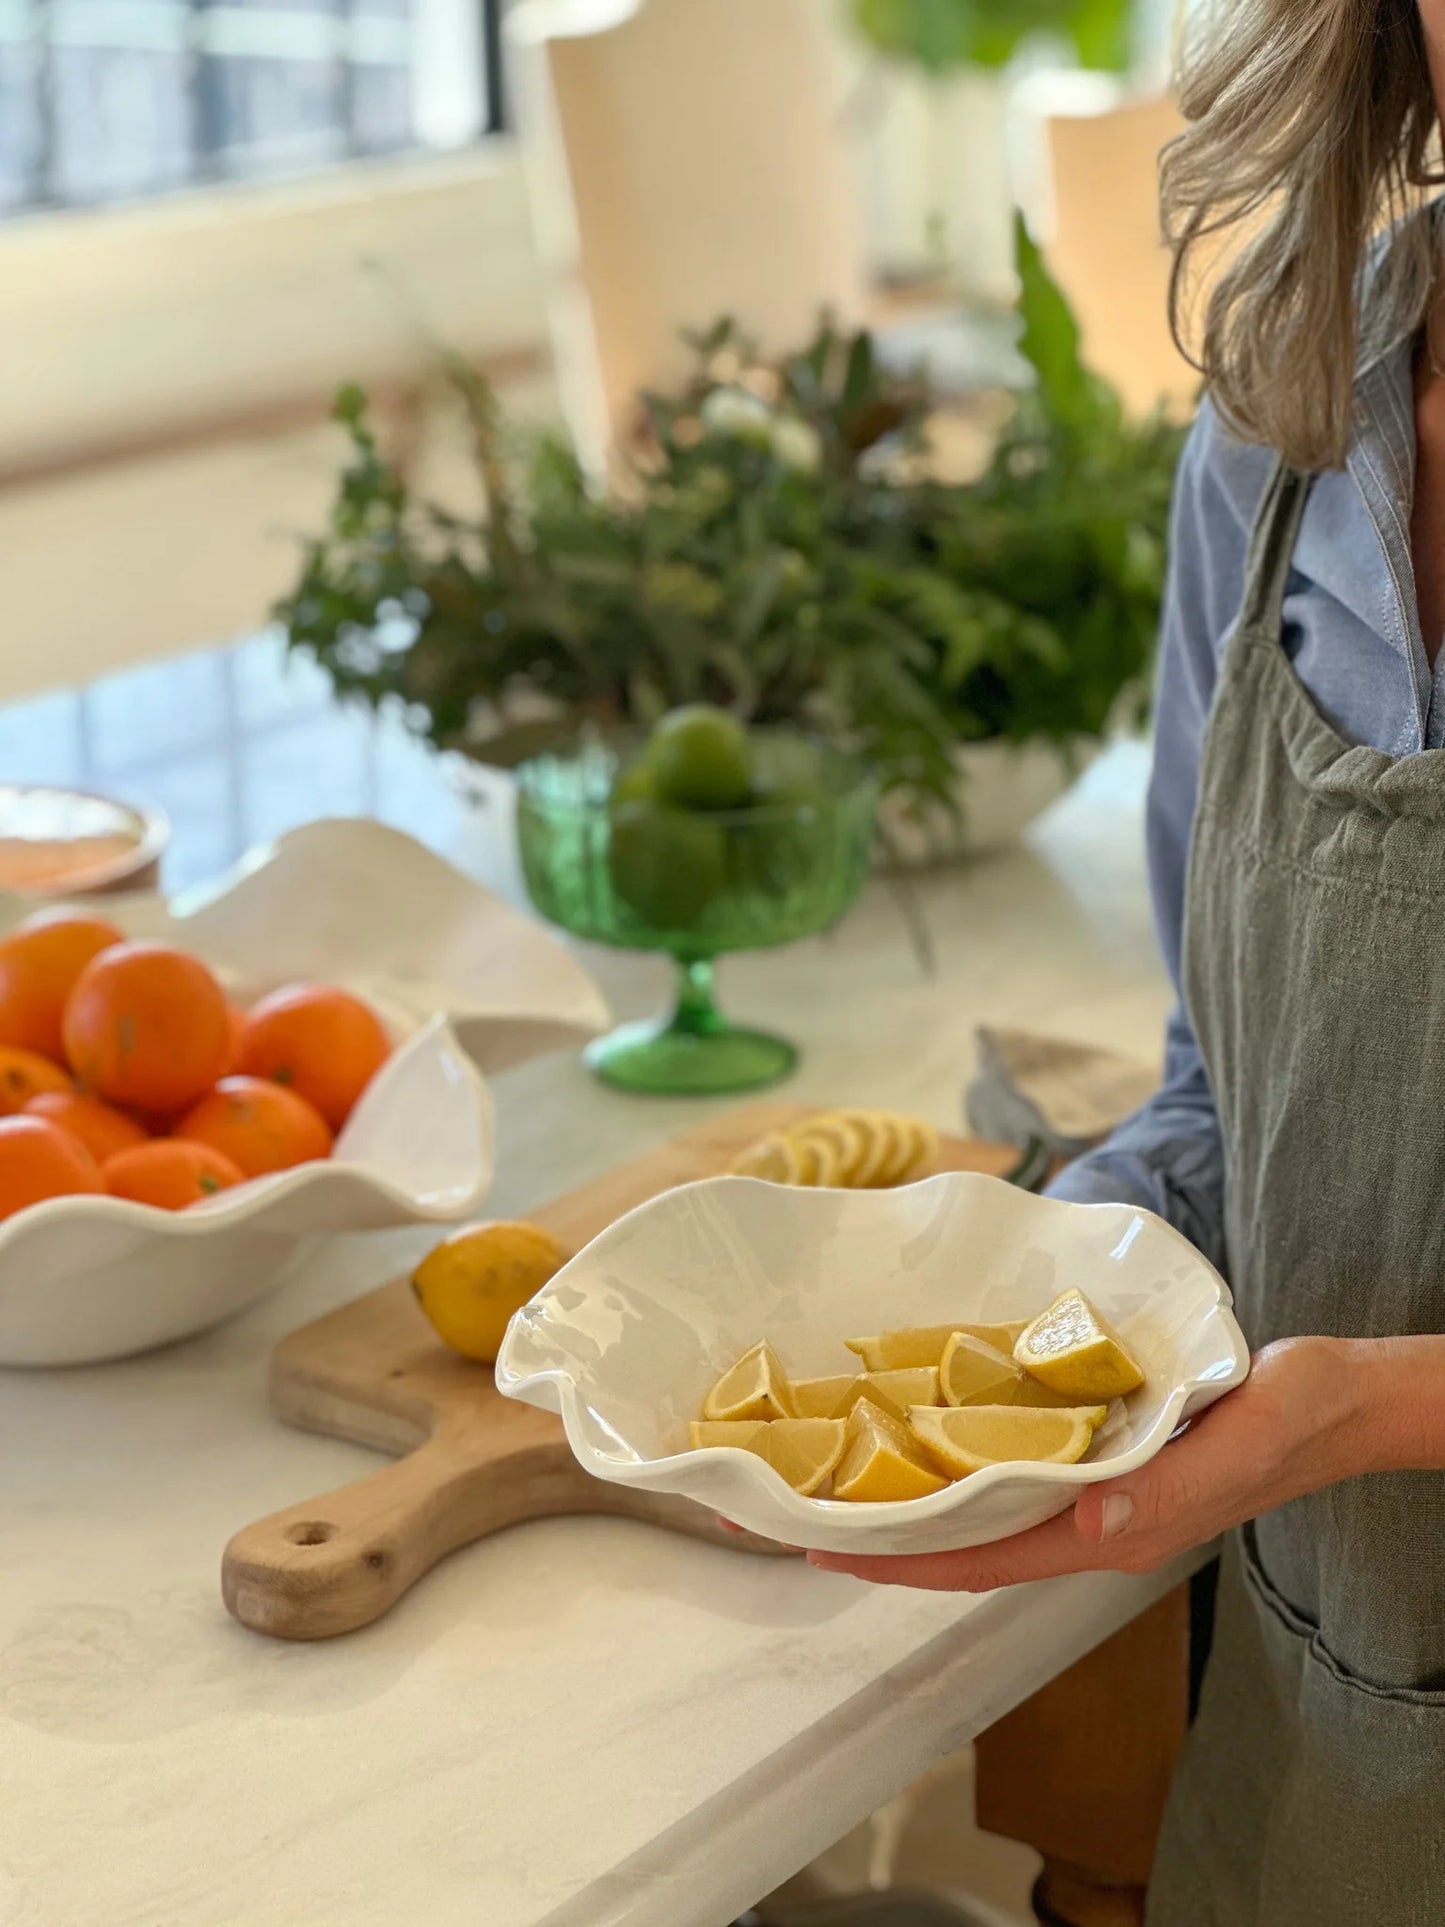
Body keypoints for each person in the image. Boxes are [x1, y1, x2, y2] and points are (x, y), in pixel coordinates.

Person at [808, 4, 1445, 1922]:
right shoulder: (1280, 422)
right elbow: (1223, 1106)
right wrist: (1011, 1295)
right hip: (1330, 1751)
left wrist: (1374, 1409)